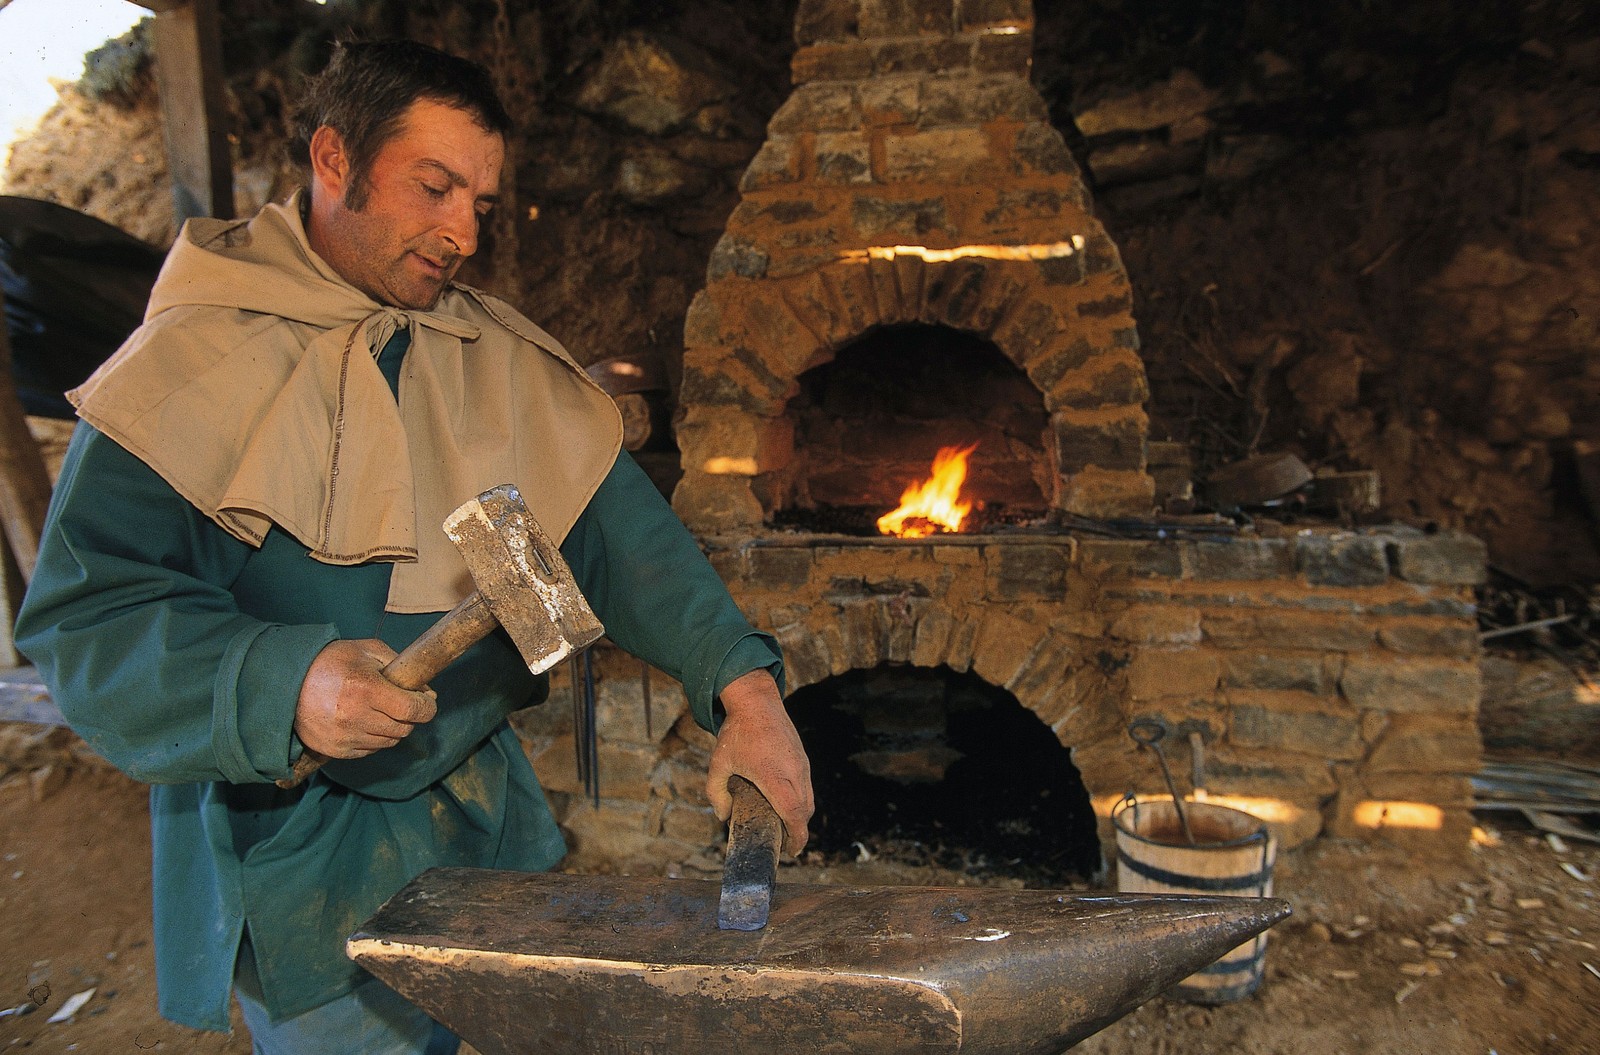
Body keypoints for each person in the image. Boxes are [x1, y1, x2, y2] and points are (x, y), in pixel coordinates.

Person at [15, 38, 812, 1055]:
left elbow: (616, 527)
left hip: (486, 817)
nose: (461, 232)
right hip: (302, 854)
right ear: (334, 159)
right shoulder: (184, 364)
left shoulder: (481, 346)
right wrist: (285, 680)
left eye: (478, 204)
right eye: (432, 187)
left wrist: (744, 690)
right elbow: (90, 622)